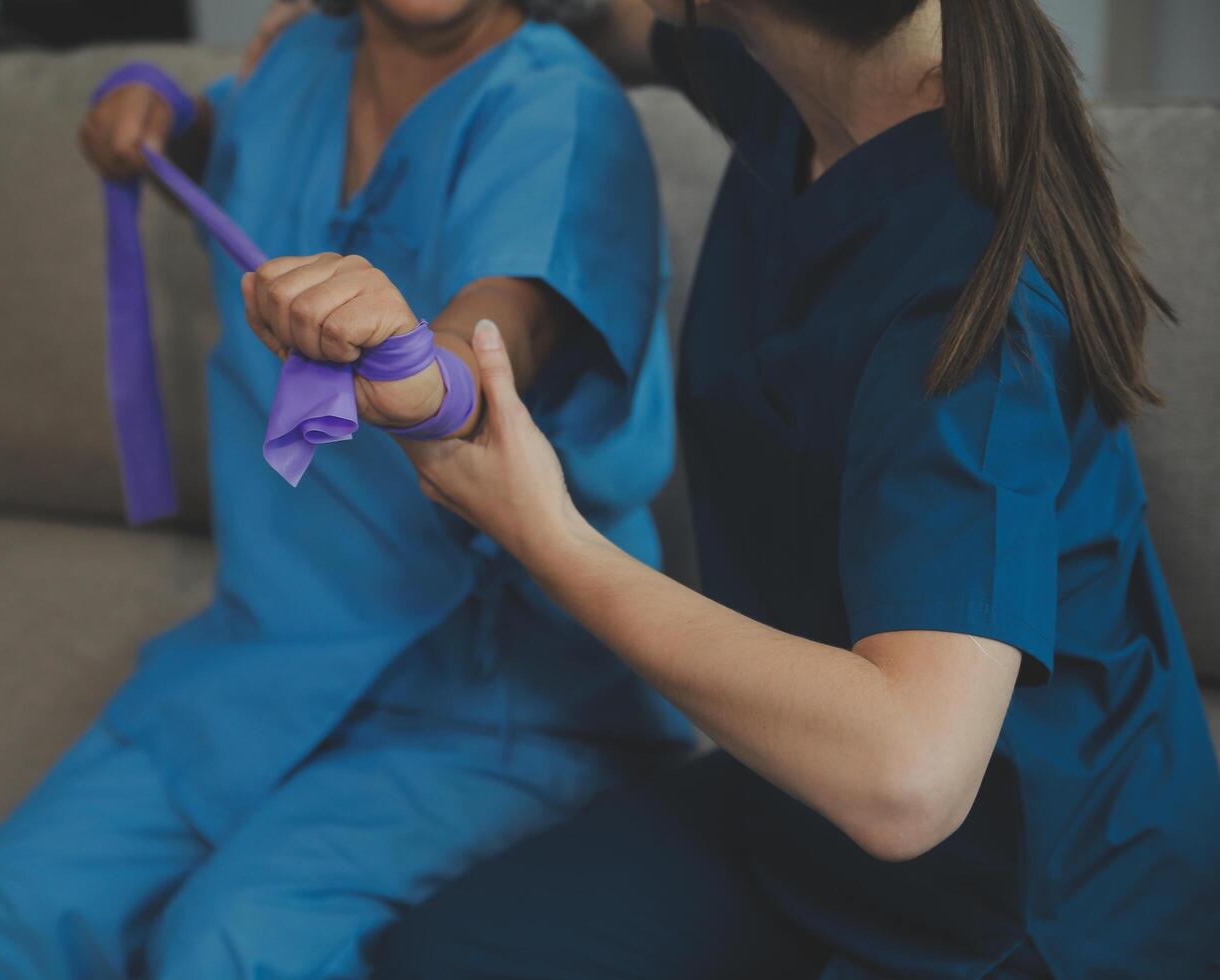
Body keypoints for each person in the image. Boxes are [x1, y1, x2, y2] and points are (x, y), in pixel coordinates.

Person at [238, 0, 1220, 976]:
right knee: (443, 957)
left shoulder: (966, 297)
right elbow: (613, 20)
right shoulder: (795, 84)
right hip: (794, 815)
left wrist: (548, 533)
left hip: (1032, 906)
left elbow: (908, 776)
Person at [0, 0, 694, 976]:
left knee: (225, 946)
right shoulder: (297, 61)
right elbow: (234, 145)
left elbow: (502, 336)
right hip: (276, 652)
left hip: (493, 698)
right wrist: (162, 108)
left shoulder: (559, 107)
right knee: (17, 891)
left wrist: (419, 362)